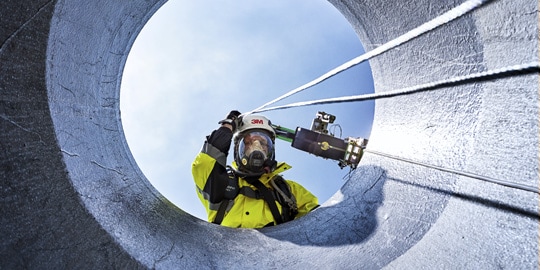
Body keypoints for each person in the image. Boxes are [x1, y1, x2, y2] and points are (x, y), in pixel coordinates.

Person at [192, 110, 319, 228]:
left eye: (263, 143)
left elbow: (319, 223)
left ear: (270, 150)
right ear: (238, 149)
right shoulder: (222, 182)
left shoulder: (288, 190)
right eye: (249, 142)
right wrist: (226, 128)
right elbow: (204, 165)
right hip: (226, 250)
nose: (257, 146)